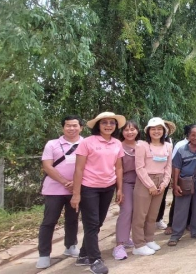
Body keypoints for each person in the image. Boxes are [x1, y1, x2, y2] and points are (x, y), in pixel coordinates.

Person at [70, 112, 126, 274]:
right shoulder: (87, 143)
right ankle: (95, 259)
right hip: (89, 188)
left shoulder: (117, 143)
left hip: (108, 187)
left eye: (112, 123)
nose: (108, 125)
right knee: (92, 223)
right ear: (98, 126)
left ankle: (83, 255)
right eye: (104, 123)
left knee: (98, 223)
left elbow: (119, 167)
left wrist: (119, 188)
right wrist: (76, 193)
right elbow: (78, 169)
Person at [36, 115, 83, 269]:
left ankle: (70, 246)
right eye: (68, 125)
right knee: (49, 221)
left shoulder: (85, 143)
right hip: (54, 190)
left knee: (72, 219)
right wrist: (64, 182)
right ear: (63, 127)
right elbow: (47, 166)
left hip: (76, 189)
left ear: (81, 128)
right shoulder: (52, 144)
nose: (72, 128)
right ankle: (44, 254)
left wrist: (75, 185)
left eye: (75, 125)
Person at [130, 118, 172, 256]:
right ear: (148, 130)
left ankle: (149, 239)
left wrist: (165, 183)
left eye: (159, 129)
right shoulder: (141, 145)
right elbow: (139, 167)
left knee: (153, 214)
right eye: (153, 128)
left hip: (161, 181)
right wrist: (150, 185)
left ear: (164, 131)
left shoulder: (168, 146)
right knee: (140, 214)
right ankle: (139, 244)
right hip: (145, 181)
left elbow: (168, 166)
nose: (156, 131)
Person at [168, 125, 196, 246]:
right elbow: (176, 168)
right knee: (181, 209)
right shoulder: (181, 149)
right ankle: (176, 235)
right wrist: (175, 185)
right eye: (193, 135)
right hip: (184, 183)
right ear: (188, 136)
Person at [112, 121, 141, 261]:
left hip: (142, 182)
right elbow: (117, 168)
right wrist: (119, 189)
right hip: (125, 182)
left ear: (137, 131)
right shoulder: (118, 145)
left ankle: (129, 238)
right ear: (122, 132)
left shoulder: (142, 145)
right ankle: (119, 245)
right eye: (126, 130)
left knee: (137, 212)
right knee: (126, 210)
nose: (130, 132)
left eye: (132, 129)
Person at [159, 124, 193, 235]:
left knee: (191, 202)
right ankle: (171, 224)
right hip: (181, 178)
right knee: (177, 203)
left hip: (193, 179)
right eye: (192, 134)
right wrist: (175, 181)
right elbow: (174, 163)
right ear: (188, 134)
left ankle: (188, 223)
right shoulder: (180, 145)